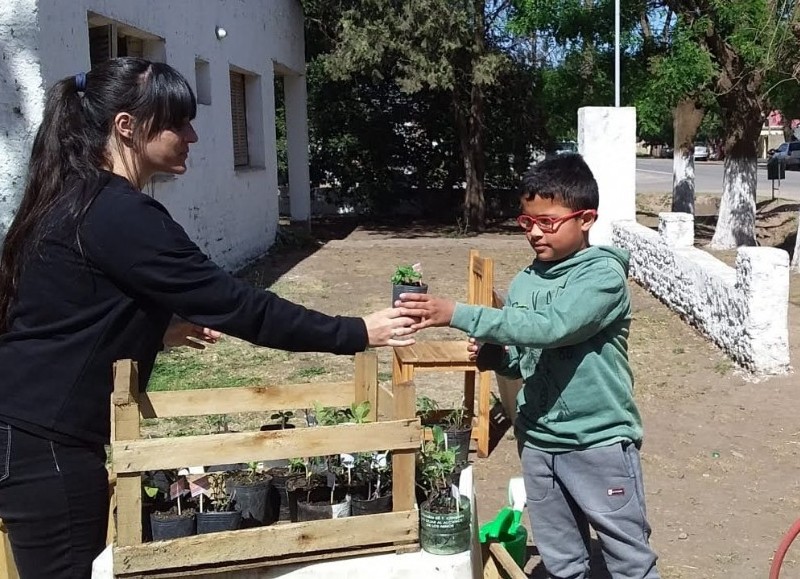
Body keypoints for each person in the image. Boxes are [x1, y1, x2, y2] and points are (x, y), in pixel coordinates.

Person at [0, 57, 421, 579]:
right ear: (126, 127)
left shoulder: (72, 197)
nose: (192, 135)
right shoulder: (119, 213)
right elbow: (240, 306)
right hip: (48, 444)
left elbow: (64, 312)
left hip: (24, 428)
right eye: (177, 121)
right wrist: (357, 331)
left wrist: (157, 329)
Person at [398, 154, 660, 578]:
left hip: (598, 442)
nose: (535, 232)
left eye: (548, 222)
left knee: (628, 558)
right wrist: (496, 356)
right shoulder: (526, 281)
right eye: (527, 222)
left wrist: (457, 312)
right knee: (562, 559)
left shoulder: (602, 277)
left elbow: (553, 328)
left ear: (587, 218)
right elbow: (525, 358)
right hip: (538, 440)